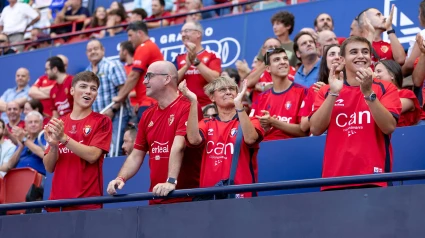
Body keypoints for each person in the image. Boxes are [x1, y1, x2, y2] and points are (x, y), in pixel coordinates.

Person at [309, 36, 402, 191]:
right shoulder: (326, 91)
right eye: (354, 52)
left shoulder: (386, 88)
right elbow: (316, 129)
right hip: (335, 179)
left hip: (375, 178)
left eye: (365, 52)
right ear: (342, 59)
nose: (361, 56)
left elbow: (389, 127)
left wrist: (368, 93)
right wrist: (333, 93)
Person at [107, 61, 201, 205]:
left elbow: (179, 147)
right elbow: (136, 154)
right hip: (157, 197)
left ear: (167, 79)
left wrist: (170, 181)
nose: (144, 81)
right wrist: (120, 178)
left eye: (149, 76)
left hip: (187, 198)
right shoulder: (147, 115)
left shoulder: (187, 106)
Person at [181, 76, 264, 199]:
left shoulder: (251, 121)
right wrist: (193, 102)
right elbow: (193, 140)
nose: (228, 92)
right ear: (212, 97)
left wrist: (239, 105)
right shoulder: (206, 123)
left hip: (242, 195)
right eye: (222, 89)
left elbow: (251, 138)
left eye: (232, 89)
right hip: (209, 196)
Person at [43, 71, 113, 212]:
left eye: (93, 89)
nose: (88, 91)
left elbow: (93, 156)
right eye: (83, 86)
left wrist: (64, 138)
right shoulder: (59, 123)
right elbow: (49, 167)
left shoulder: (102, 121)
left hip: (87, 203)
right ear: (72, 90)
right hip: (57, 204)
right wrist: (54, 146)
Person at [250, 48, 308, 141]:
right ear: (268, 68)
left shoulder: (303, 92)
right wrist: (263, 129)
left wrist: (274, 122)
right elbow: (251, 135)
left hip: (294, 149)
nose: (283, 62)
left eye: (285, 59)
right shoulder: (261, 98)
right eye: (277, 60)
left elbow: (304, 131)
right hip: (265, 149)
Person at [85, 39, 131, 155]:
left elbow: (123, 90)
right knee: (101, 152)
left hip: (117, 115)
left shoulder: (113, 65)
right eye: (90, 50)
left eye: (96, 49)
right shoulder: (86, 72)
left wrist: (112, 110)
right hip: (98, 120)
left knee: (116, 150)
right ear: (87, 54)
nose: (93, 52)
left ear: (103, 50)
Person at [113, 21, 163, 122]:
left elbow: (134, 75)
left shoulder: (144, 47)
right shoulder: (150, 46)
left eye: (130, 35)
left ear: (140, 33)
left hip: (150, 101)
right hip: (149, 100)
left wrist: (120, 96)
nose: (129, 39)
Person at [175, 21, 221, 107]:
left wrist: (195, 61)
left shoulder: (212, 55)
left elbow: (215, 80)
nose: (183, 35)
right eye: (182, 32)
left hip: (206, 107)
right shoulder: (178, 58)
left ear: (198, 34)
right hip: (183, 107)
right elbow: (171, 81)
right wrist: (186, 66)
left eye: (187, 31)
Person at [299, 44, 343, 132]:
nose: (337, 57)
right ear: (325, 61)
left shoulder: (354, 88)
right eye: (332, 54)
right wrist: (324, 94)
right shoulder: (315, 89)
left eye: (340, 54)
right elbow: (303, 126)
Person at [374, 60, 421, 127]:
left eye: (379, 71)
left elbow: (387, 110)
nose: (375, 75)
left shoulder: (406, 94)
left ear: (392, 75)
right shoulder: (375, 95)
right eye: (374, 72)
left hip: (402, 135)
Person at [0, 111, 46, 176]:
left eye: (36, 122)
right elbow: (9, 166)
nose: (33, 124)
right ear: (26, 126)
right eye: (30, 122)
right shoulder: (23, 140)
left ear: (42, 125)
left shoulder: (45, 138)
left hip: (37, 178)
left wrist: (25, 140)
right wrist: (21, 147)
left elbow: (44, 155)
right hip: (17, 177)